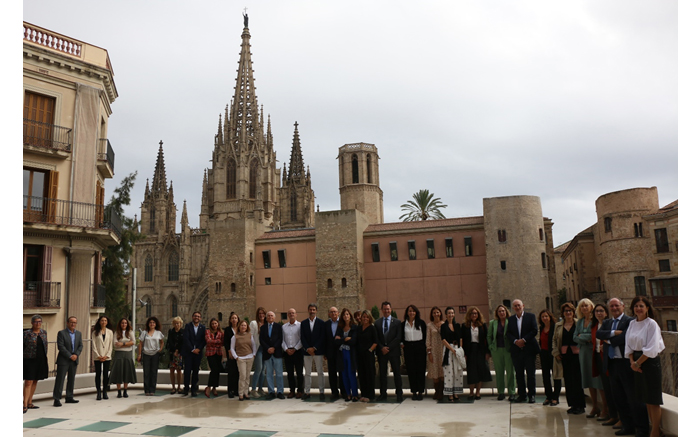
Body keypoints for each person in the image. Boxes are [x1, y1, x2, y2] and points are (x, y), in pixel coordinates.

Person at [596, 297, 649, 435]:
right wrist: (613, 333)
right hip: (612, 363)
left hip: (627, 363)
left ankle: (641, 428)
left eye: (616, 306)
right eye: (612, 306)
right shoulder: (607, 322)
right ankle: (627, 426)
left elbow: (625, 337)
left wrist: (609, 340)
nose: (614, 308)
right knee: (618, 397)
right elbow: (598, 334)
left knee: (633, 397)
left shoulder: (630, 321)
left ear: (623, 306)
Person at [625, 296, 665, 437]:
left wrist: (637, 363)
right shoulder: (632, 324)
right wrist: (632, 362)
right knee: (645, 398)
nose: (638, 308)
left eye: (641, 306)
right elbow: (628, 345)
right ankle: (654, 428)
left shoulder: (651, 324)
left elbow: (652, 347)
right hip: (636, 362)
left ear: (647, 308)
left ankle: (655, 431)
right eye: (636, 306)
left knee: (653, 399)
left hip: (649, 362)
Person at [552, 302, 585, 414]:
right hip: (564, 356)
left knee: (577, 380)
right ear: (563, 313)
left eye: (570, 311)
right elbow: (555, 340)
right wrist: (555, 352)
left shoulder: (579, 323)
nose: (568, 313)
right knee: (568, 380)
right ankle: (572, 404)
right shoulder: (558, 325)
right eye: (566, 311)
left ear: (573, 312)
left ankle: (580, 405)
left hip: (577, 355)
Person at [574, 298, 604, 418]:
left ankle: (605, 408)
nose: (584, 308)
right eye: (582, 306)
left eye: (586, 305)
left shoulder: (595, 321)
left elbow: (594, 335)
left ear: (591, 307)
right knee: (588, 379)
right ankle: (595, 406)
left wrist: (583, 336)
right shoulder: (580, 321)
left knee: (598, 381)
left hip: (593, 352)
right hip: (583, 353)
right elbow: (574, 337)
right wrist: (584, 337)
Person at [506, 299, 540, 403]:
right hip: (516, 350)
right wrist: (516, 341)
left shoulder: (531, 316)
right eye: (515, 306)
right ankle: (522, 395)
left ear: (523, 306)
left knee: (531, 374)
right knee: (519, 374)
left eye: (519, 305)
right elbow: (508, 333)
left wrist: (524, 340)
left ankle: (532, 395)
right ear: (513, 308)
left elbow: (534, 330)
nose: (517, 307)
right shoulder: (511, 319)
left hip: (529, 349)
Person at [374, 301, 403, 402]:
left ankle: (399, 394)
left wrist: (388, 348)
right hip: (382, 352)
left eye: (388, 309)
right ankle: (383, 394)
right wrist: (382, 348)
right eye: (384, 309)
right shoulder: (377, 323)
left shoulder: (397, 322)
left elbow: (398, 337)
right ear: (381, 310)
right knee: (382, 374)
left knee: (397, 374)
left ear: (391, 310)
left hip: (394, 352)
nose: (386, 311)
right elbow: (376, 338)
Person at [462, 306, 491, 400]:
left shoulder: (482, 325)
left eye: (475, 313)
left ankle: (478, 392)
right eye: (472, 313)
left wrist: (487, 352)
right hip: (470, 350)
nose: (474, 315)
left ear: (478, 315)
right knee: (471, 371)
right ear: (469, 315)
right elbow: (463, 340)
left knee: (480, 371)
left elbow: (487, 339)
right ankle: (471, 393)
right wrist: (464, 354)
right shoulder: (465, 325)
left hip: (480, 350)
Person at [488, 305, 516, 401]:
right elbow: (489, 336)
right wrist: (491, 347)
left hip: (508, 350)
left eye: (503, 311)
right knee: (499, 372)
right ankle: (501, 392)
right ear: (497, 313)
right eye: (499, 311)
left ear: (506, 312)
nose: (501, 313)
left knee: (510, 371)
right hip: (497, 350)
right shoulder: (493, 323)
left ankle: (512, 392)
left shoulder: (511, 321)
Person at [53, 316, 83, 406]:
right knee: (60, 379)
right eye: (71, 322)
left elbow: (80, 346)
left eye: (75, 322)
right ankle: (57, 399)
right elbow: (60, 346)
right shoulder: (61, 333)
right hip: (64, 360)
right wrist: (70, 356)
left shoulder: (78, 334)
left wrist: (76, 355)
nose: (73, 324)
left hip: (74, 360)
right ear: (67, 323)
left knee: (71, 379)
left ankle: (69, 397)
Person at [592, 304, 614, 423]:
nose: (599, 313)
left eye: (601, 311)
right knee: (604, 386)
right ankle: (608, 411)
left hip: (607, 358)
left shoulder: (609, 324)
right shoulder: (595, 326)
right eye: (597, 311)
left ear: (606, 313)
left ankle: (612, 413)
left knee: (611, 387)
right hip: (597, 357)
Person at [301, 303, 326, 400]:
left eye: (314, 310)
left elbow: (322, 337)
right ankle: (307, 392)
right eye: (310, 309)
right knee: (307, 372)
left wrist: (314, 348)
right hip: (307, 352)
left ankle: (321, 391)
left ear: (316, 311)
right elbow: (302, 337)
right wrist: (308, 348)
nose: (312, 311)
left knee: (320, 372)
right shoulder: (303, 323)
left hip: (317, 351)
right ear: (308, 310)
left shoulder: (321, 323)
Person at [23, 315, 48, 413]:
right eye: (36, 322)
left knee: (35, 380)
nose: (38, 323)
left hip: (40, 359)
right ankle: (24, 404)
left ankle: (30, 402)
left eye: (39, 322)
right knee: (28, 381)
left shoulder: (44, 333)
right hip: (29, 360)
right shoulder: (26, 333)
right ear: (32, 323)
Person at [402, 304, 427, 400]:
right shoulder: (403, 324)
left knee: (420, 370)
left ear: (416, 312)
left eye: (413, 311)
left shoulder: (421, 323)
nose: (411, 313)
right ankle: (414, 392)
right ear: (407, 313)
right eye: (409, 311)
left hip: (419, 347)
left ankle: (420, 391)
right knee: (411, 370)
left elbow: (425, 337)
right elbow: (401, 337)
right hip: (408, 348)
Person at [538, 309, 561, 406]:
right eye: (542, 317)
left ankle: (555, 397)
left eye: (546, 316)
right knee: (545, 376)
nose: (544, 318)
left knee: (556, 376)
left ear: (550, 317)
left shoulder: (554, 327)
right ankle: (548, 396)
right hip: (544, 354)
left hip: (553, 354)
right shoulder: (541, 328)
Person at [259, 311, 285, 399]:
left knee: (279, 373)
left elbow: (280, 338)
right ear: (266, 318)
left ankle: (280, 391)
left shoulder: (279, 327)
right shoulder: (262, 328)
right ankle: (271, 392)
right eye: (268, 316)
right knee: (269, 373)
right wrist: (268, 348)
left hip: (277, 352)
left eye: (271, 316)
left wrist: (274, 347)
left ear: (274, 317)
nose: (270, 317)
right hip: (267, 353)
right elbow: (261, 340)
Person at [335, 308, 359, 402]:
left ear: (350, 316)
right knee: (344, 374)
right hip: (341, 354)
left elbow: (354, 341)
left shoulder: (354, 327)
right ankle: (348, 394)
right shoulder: (340, 327)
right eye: (344, 314)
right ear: (342, 317)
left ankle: (355, 394)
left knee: (351, 374)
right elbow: (336, 342)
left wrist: (342, 340)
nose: (346, 316)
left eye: (347, 314)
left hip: (351, 353)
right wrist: (345, 339)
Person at [109, 318, 137, 398]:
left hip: (127, 354)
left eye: (125, 323)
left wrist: (122, 343)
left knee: (126, 372)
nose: (124, 324)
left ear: (127, 324)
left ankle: (125, 390)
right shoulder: (116, 333)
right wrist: (128, 343)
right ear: (120, 324)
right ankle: (119, 391)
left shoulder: (130, 332)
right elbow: (115, 344)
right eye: (122, 323)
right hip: (119, 354)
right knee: (119, 372)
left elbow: (133, 342)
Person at [441, 306, 463, 402]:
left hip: (457, 349)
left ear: (454, 314)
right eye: (449, 313)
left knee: (458, 371)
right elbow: (443, 340)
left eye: (452, 313)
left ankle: (456, 393)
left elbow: (461, 338)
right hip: (448, 350)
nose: (451, 315)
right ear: (446, 315)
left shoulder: (457, 325)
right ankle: (449, 394)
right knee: (449, 372)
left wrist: (460, 350)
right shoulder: (443, 326)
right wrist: (452, 350)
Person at [230, 319, 257, 400]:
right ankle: (240, 393)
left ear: (247, 327)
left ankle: (246, 392)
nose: (243, 327)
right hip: (240, 358)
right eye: (242, 325)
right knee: (242, 376)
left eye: (245, 325)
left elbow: (253, 346)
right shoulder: (235, 336)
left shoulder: (250, 335)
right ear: (239, 326)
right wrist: (236, 357)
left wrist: (254, 355)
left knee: (247, 376)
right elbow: (232, 348)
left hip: (249, 357)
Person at [138, 316, 165, 396]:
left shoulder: (158, 333)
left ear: (156, 324)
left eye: (153, 323)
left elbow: (162, 342)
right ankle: (146, 390)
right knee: (146, 372)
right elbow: (140, 343)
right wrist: (139, 354)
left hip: (155, 354)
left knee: (153, 372)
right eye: (150, 323)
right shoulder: (144, 333)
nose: (152, 324)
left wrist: (160, 349)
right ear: (148, 324)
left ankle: (152, 389)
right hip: (146, 354)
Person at [182, 311, 207, 397]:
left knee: (196, 371)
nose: (197, 317)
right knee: (187, 371)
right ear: (192, 317)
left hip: (198, 353)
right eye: (195, 316)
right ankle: (186, 388)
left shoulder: (203, 327)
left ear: (200, 318)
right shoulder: (188, 326)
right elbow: (186, 339)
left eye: (198, 316)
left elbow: (204, 340)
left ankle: (194, 389)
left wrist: (198, 349)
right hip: (189, 352)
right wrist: (192, 349)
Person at [356, 310, 378, 402]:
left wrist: (370, 350)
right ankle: (363, 394)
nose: (365, 318)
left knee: (369, 375)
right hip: (360, 355)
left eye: (367, 317)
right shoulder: (359, 328)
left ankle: (370, 395)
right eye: (363, 317)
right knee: (361, 375)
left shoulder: (372, 328)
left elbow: (376, 342)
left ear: (370, 318)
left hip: (368, 355)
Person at [282, 308, 304, 398]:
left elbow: (302, 339)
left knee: (299, 372)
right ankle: (292, 390)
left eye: (293, 313)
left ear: (296, 314)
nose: (291, 314)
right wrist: (286, 349)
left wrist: (295, 349)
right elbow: (282, 340)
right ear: (288, 315)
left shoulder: (300, 325)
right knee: (290, 373)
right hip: (287, 352)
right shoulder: (284, 327)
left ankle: (300, 391)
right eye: (290, 313)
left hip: (298, 351)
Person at [324, 307, 345, 401]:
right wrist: (325, 353)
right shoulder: (326, 324)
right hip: (330, 353)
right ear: (329, 314)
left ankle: (343, 392)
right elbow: (324, 339)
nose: (333, 313)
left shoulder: (342, 323)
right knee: (332, 373)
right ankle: (334, 392)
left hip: (340, 352)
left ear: (338, 313)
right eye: (331, 312)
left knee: (341, 372)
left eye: (335, 312)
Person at [91, 315, 114, 400]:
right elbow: (93, 345)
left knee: (105, 374)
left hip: (107, 357)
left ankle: (105, 391)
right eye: (102, 320)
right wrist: (98, 356)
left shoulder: (110, 332)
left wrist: (107, 355)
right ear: (99, 322)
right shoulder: (95, 332)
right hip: (98, 357)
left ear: (107, 322)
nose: (103, 322)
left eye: (105, 320)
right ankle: (98, 392)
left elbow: (110, 345)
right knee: (98, 374)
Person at [426, 306, 445, 401]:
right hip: (433, 351)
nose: (436, 314)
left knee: (442, 371)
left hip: (442, 350)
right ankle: (437, 391)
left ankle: (441, 391)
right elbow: (428, 339)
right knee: (435, 371)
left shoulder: (444, 324)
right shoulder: (429, 325)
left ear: (440, 313)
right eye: (434, 312)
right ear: (432, 314)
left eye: (438, 312)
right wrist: (429, 352)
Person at [248, 307, 267, 398]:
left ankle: (260, 388)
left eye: (263, 313)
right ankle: (253, 389)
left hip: (265, 349)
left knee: (263, 371)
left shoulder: (267, 324)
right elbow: (250, 337)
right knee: (258, 369)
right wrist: (253, 350)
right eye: (260, 313)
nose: (261, 315)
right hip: (258, 349)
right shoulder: (254, 323)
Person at [204, 317, 224, 397]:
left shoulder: (221, 332)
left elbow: (222, 342)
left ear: (218, 324)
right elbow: (208, 341)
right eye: (212, 324)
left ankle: (214, 387)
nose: (214, 325)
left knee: (217, 370)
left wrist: (214, 342)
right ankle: (208, 387)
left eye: (215, 323)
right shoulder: (207, 331)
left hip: (218, 353)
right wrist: (217, 342)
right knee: (214, 369)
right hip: (210, 353)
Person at [223, 312, 240, 398]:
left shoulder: (240, 329)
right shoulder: (227, 329)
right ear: (230, 320)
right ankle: (230, 390)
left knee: (238, 372)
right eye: (232, 318)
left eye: (235, 318)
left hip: (240, 353)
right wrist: (229, 352)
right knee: (231, 372)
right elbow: (226, 342)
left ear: (238, 320)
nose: (234, 319)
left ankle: (236, 390)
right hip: (231, 354)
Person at [166, 316, 184, 394]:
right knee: (172, 370)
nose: (177, 325)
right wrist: (174, 350)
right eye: (175, 323)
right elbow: (169, 341)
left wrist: (178, 350)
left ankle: (179, 387)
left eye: (178, 323)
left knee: (179, 370)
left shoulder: (183, 332)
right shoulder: (171, 331)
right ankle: (173, 387)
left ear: (181, 324)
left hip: (180, 353)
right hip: (172, 353)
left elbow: (183, 342)